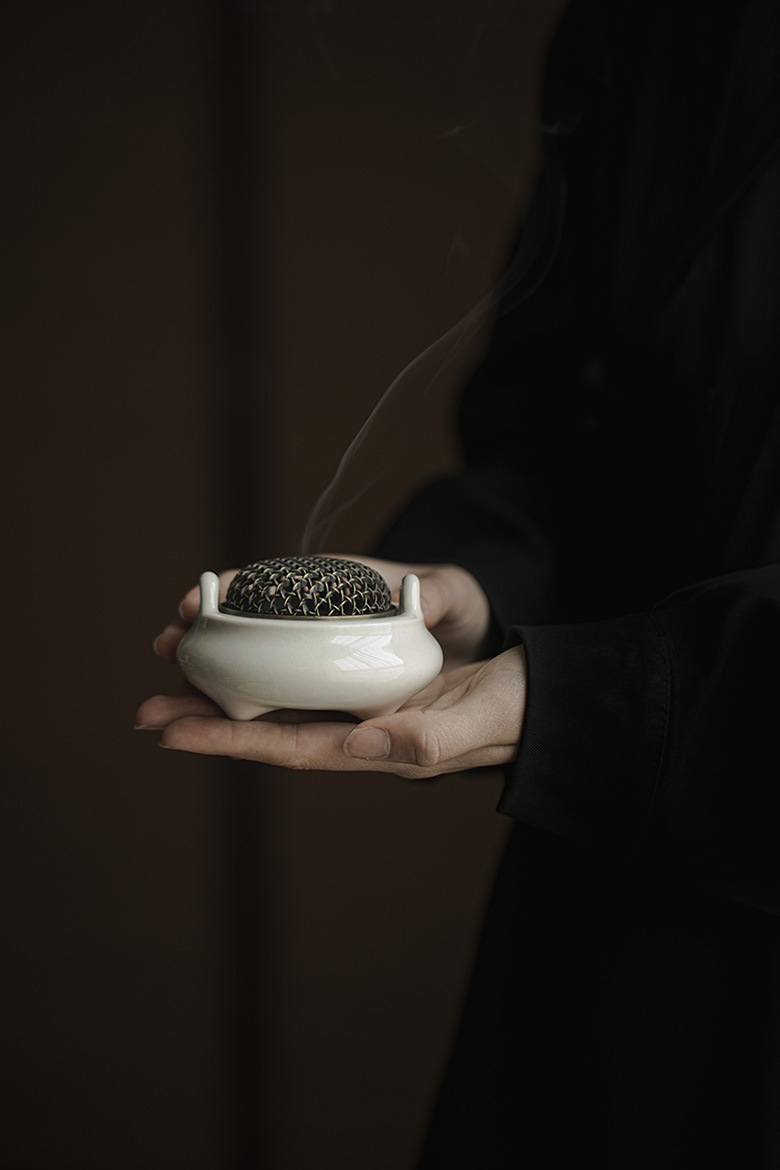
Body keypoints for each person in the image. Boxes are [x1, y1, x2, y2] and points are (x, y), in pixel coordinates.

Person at [137, 0, 780, 1164]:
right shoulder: (653, 28)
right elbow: (559, 427)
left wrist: (611, 700)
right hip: (602, 934)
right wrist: (472, 590)